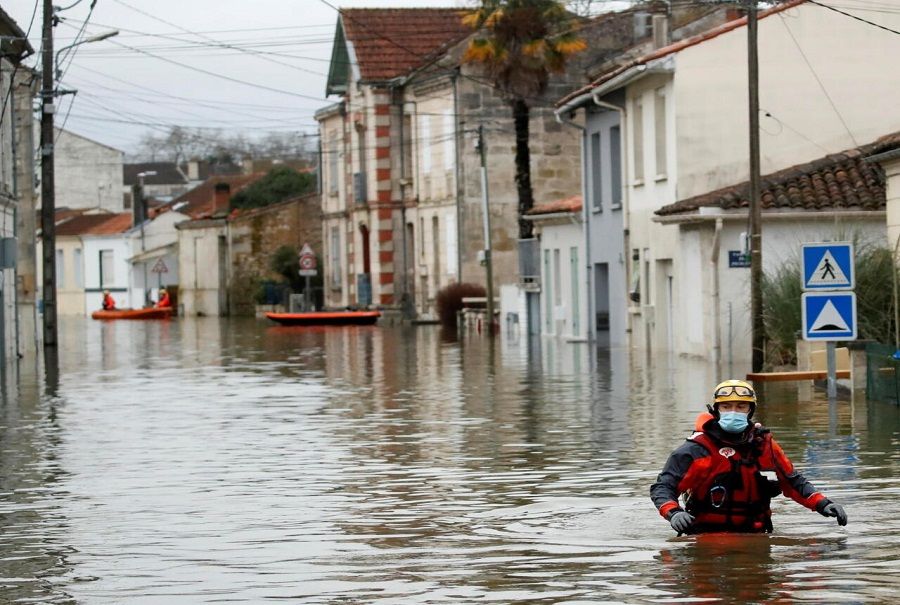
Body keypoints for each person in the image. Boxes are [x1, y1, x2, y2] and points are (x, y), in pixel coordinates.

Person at [650, 379, 848, 534]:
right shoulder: (696, 449)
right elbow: (664, 486)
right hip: (706, 536)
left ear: (750, 410)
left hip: (756, 533)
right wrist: (674, 513)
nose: (733, 412)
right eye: (726, 407)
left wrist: (823, 503)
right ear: (716, 410)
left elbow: (793, 481)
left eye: (741, 406)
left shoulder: (763, 445)